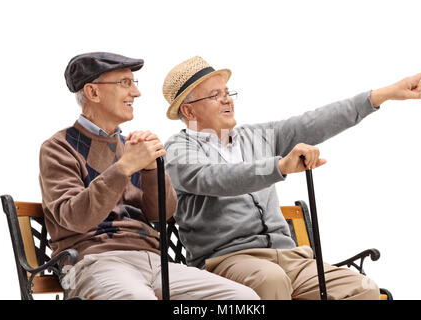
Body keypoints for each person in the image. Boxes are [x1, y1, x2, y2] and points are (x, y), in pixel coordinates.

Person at [160, 56, 421, 300]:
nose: (227, 99)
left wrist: (381, 95)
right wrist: (279, 166)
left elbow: (313, 122)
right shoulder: (179, 150)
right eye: (215, 95)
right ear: (189, 111)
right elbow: (215, 178)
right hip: (228, 261)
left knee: (362, 288)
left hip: (291, 259)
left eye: (227, 92)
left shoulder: (257, 137)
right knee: (270, 280)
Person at [38, 52, 259, 300]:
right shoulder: (59, 147)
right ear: (93, 93)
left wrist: (152, 170)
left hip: (153, 261)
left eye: (134, 83)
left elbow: (161, 214)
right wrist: (123, 168)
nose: (136, 92)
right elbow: (74, 217)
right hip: (92, 262)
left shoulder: (131, 146)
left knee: (242, 299)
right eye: (125, 83)